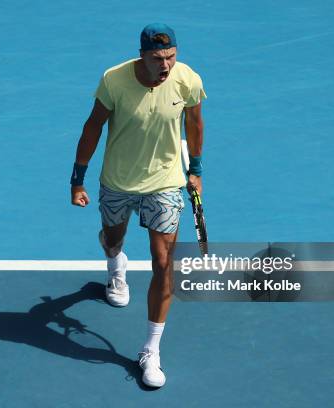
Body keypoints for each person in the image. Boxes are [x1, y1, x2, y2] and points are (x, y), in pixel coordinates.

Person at [69, 23, 206, 388]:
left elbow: (194, 123)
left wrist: (195, 170)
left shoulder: (186, 79)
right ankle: (116, 262)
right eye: (158, 58)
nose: (166, 64)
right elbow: (92, 128)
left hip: (165, 182)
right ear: (142, 55)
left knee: (164, 262)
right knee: (112, 238)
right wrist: (77, 179)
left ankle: (151, 350)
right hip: (118, 180)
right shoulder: (114, 81)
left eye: (171, 57)